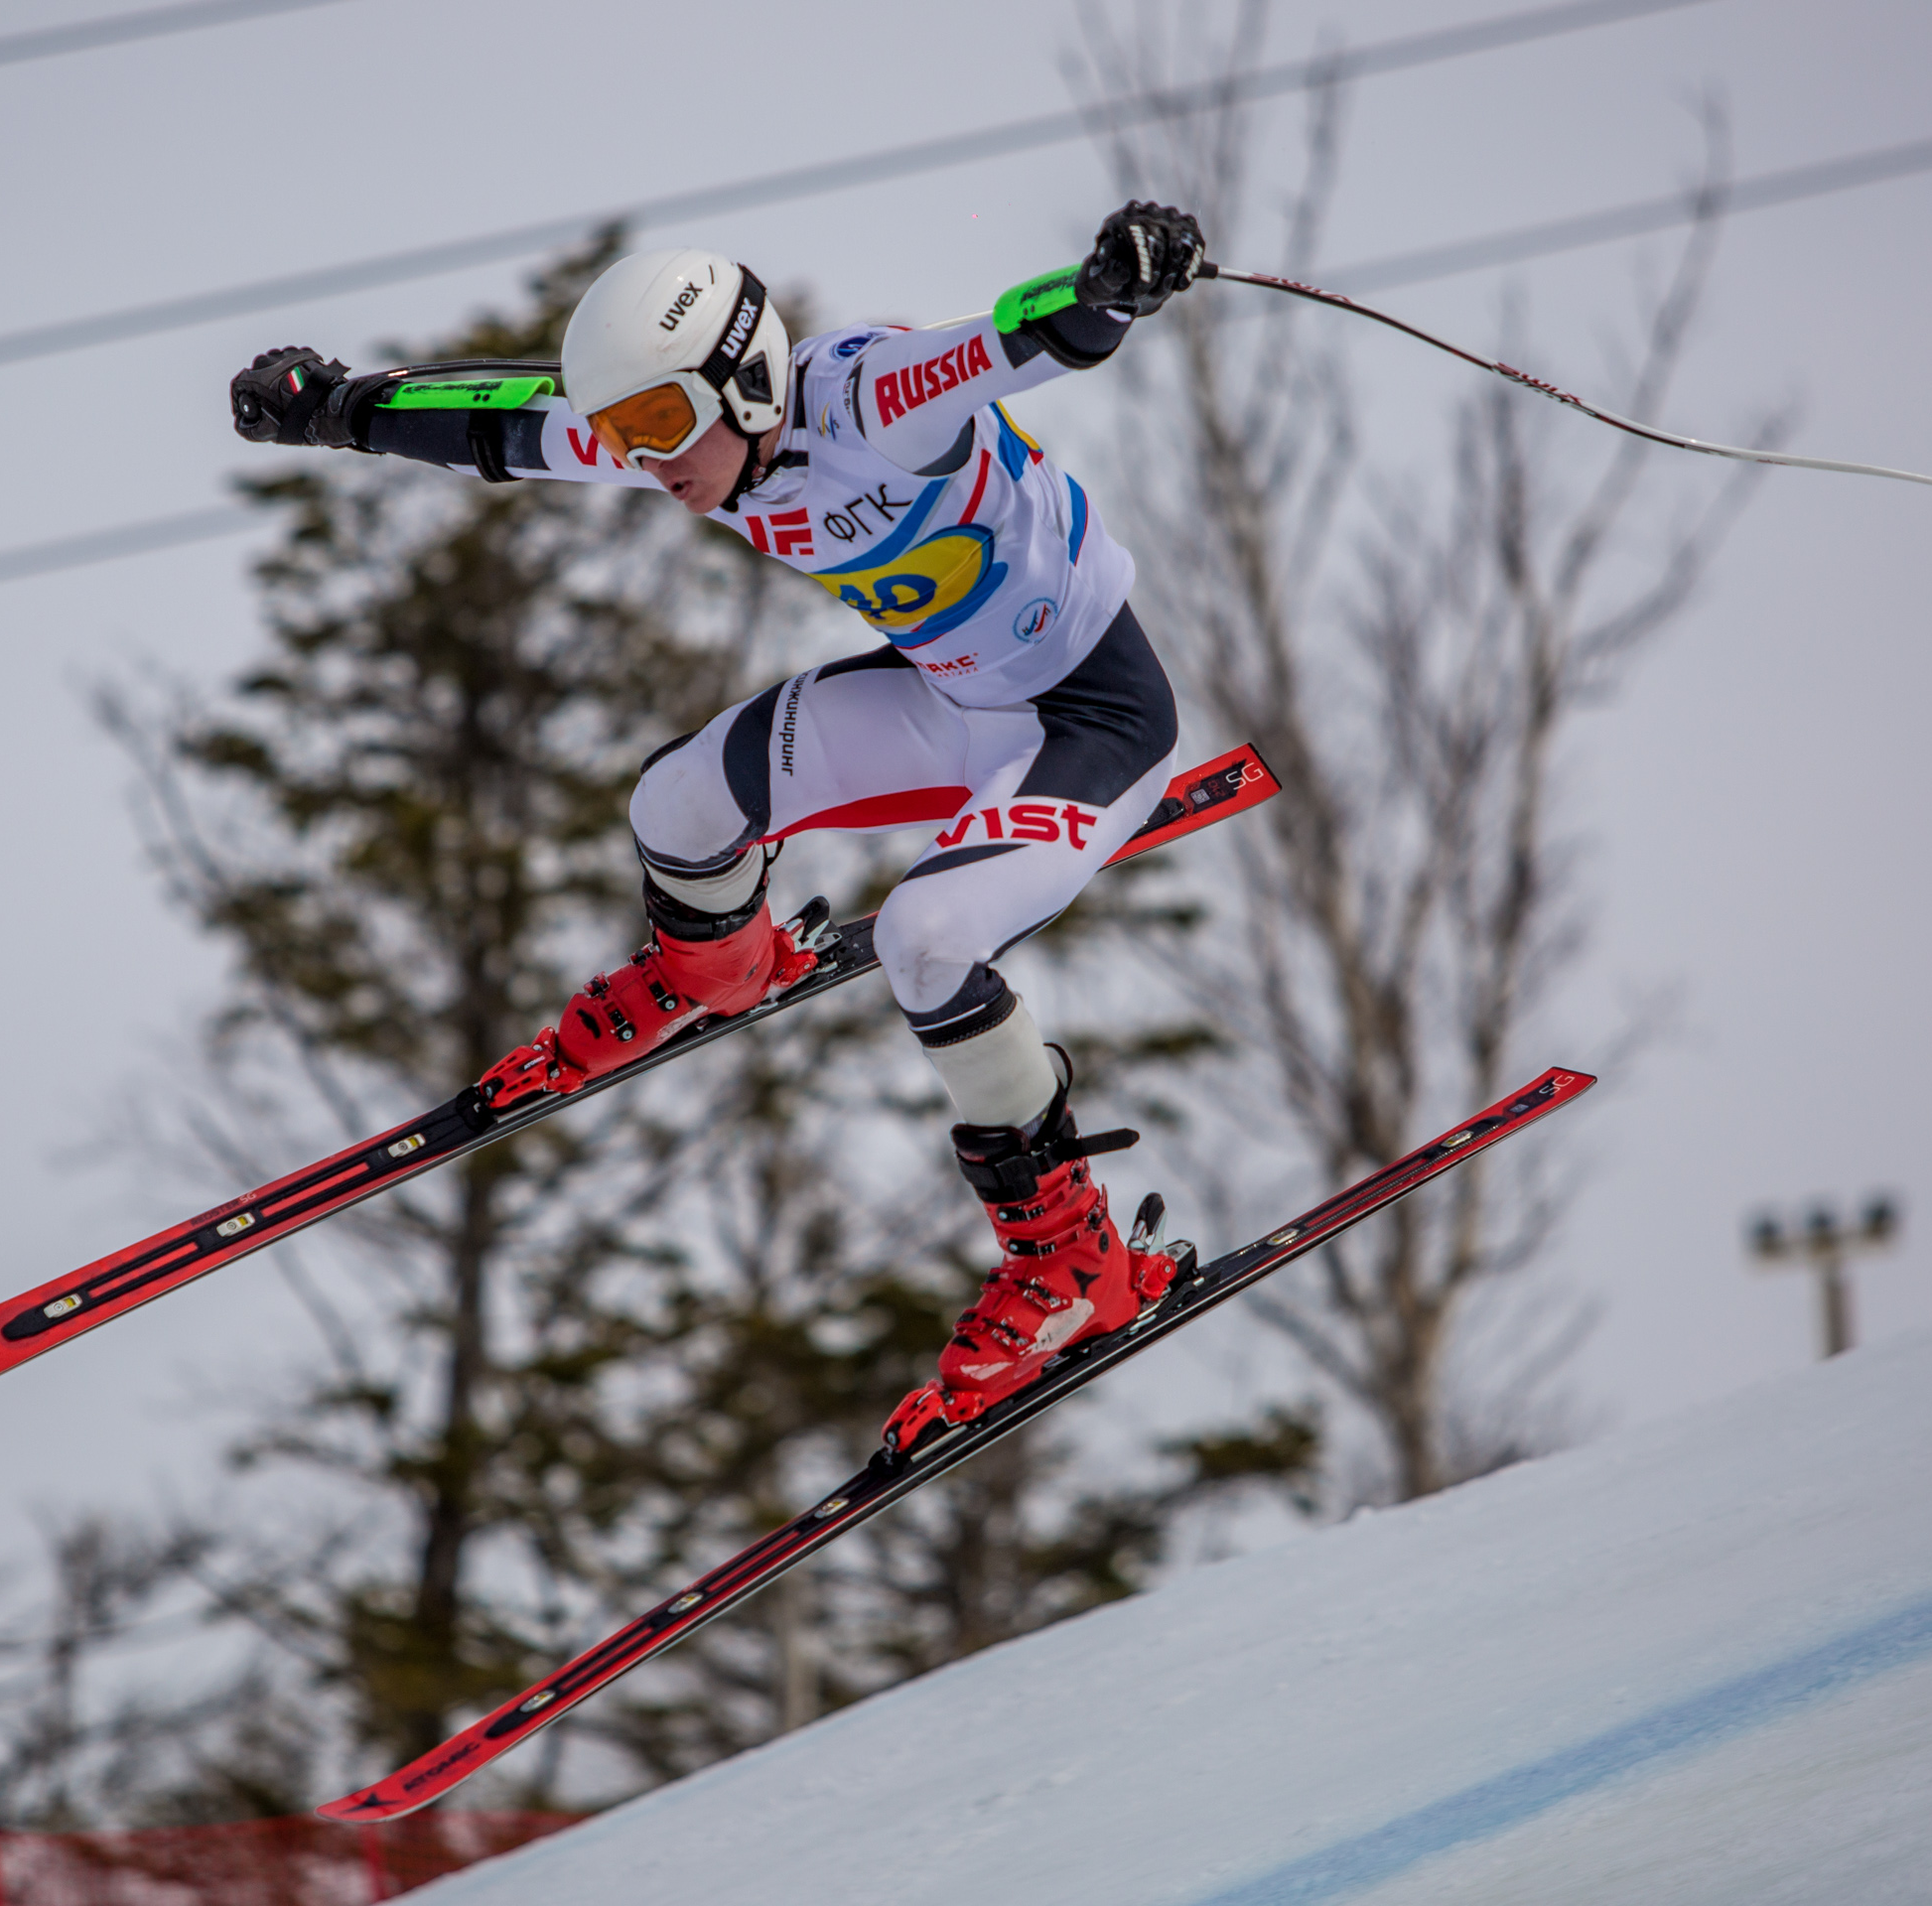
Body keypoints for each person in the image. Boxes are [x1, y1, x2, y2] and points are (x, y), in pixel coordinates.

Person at [228, 202, 1205, 1455]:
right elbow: (498, 424)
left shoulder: (871, 400)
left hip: (1092, 717)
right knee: (676, 805)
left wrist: (1109, 284)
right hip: (956, 706)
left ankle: (1075, 1266)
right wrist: (334, 407)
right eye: (625, 433)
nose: (644, 461)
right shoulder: (685, 430)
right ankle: (720, 968)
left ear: (743, 379)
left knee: (925, 937)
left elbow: (1017, 337)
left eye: (657, 428)